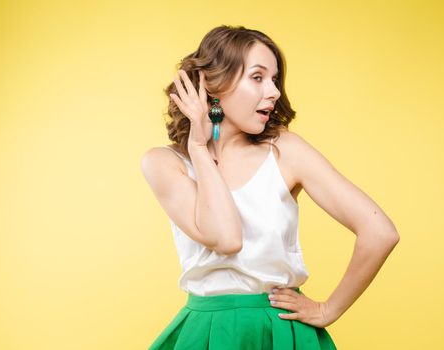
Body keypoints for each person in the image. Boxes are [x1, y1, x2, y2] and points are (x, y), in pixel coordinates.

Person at [141, 25, 400, 350]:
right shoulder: (165, 163)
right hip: (207, 333)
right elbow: (227, 238)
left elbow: (380, 231)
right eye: (258, 77)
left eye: (275, 79)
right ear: (213, 85)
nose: (274, 91)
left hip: (280, 332)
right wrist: (199, 148)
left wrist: (328, 309)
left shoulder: (285, 151)